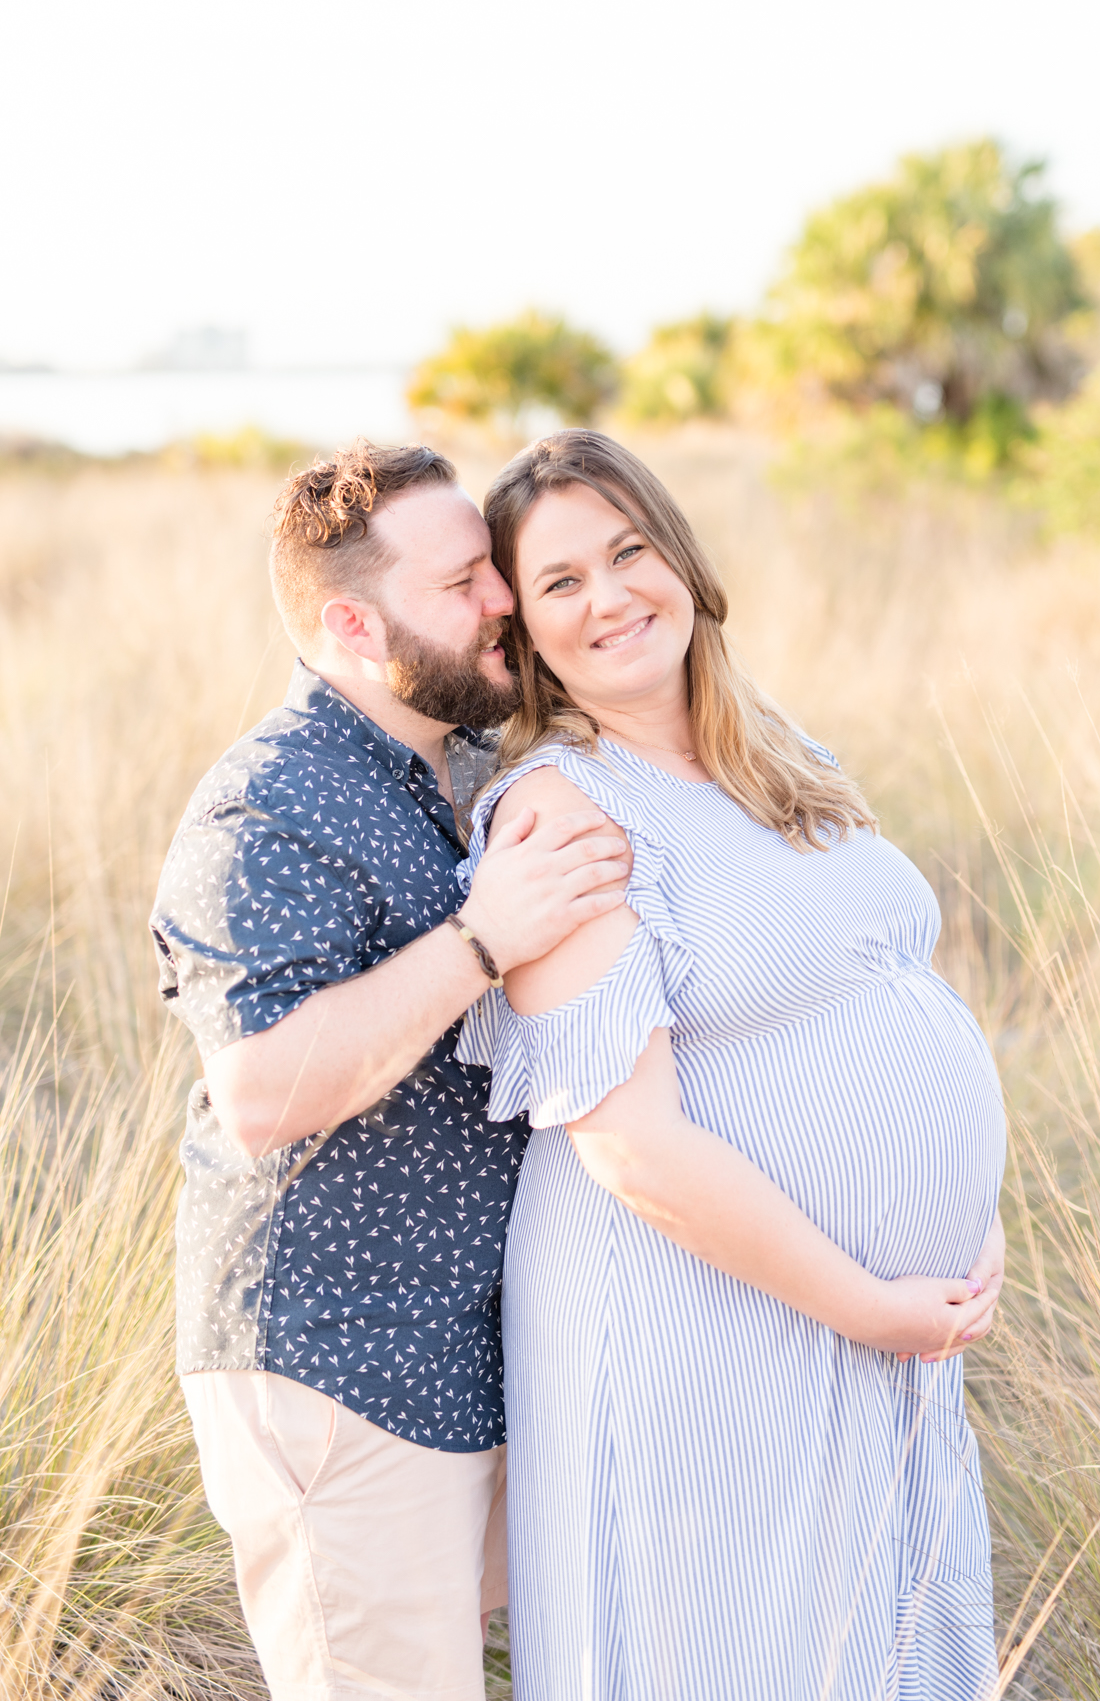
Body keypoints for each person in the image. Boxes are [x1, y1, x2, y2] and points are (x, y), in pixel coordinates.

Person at [462, 430, 1009, 1701]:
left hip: (866, 1320)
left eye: (626, 550)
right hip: (694, 1326)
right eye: (558, 583)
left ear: (679, 557)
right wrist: (869, 1302)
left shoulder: (767, 749)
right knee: (725, 1649)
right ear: (527, 634)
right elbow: (630, 1146)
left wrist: (961, 1213)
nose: (607, 597)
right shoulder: (565, 812)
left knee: (869, 1642)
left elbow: (884, 984)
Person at [150, 441, 632, 1701]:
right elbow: (259, 1092)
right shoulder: (266, 807)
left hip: (467, 1348)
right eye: (466, 578)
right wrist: (481, 940)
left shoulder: (463, 763)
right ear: (355, 621)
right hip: (334, 1365)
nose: (503, 601)